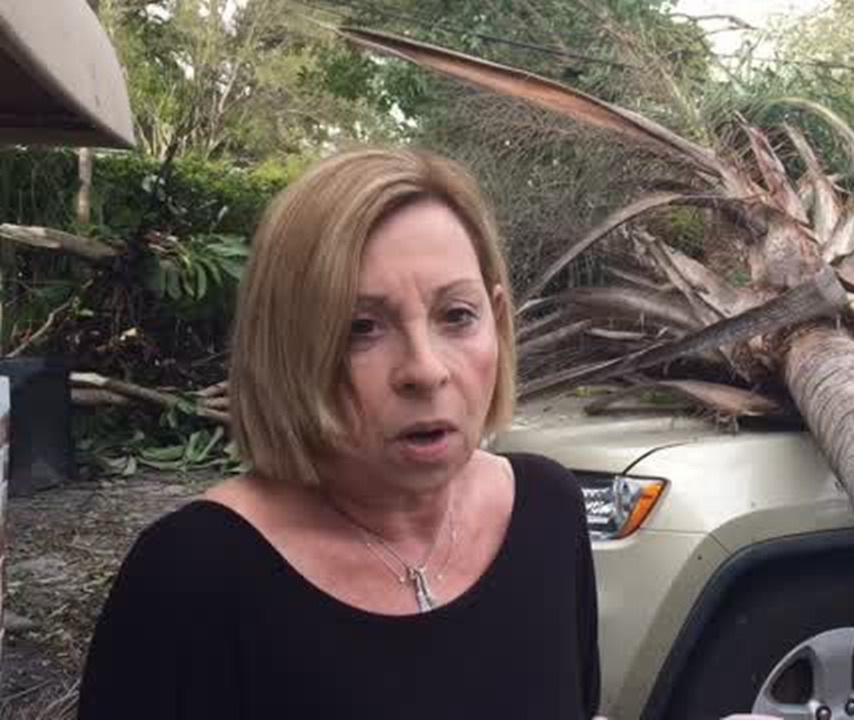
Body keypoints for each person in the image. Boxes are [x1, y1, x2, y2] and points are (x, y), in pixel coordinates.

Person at [77, 148, 600, 719]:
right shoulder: (192, 577)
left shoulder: (548, 512)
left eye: (456, 315)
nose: (425, 370)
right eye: (361, 328)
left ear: (497, 320)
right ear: (286, 347)